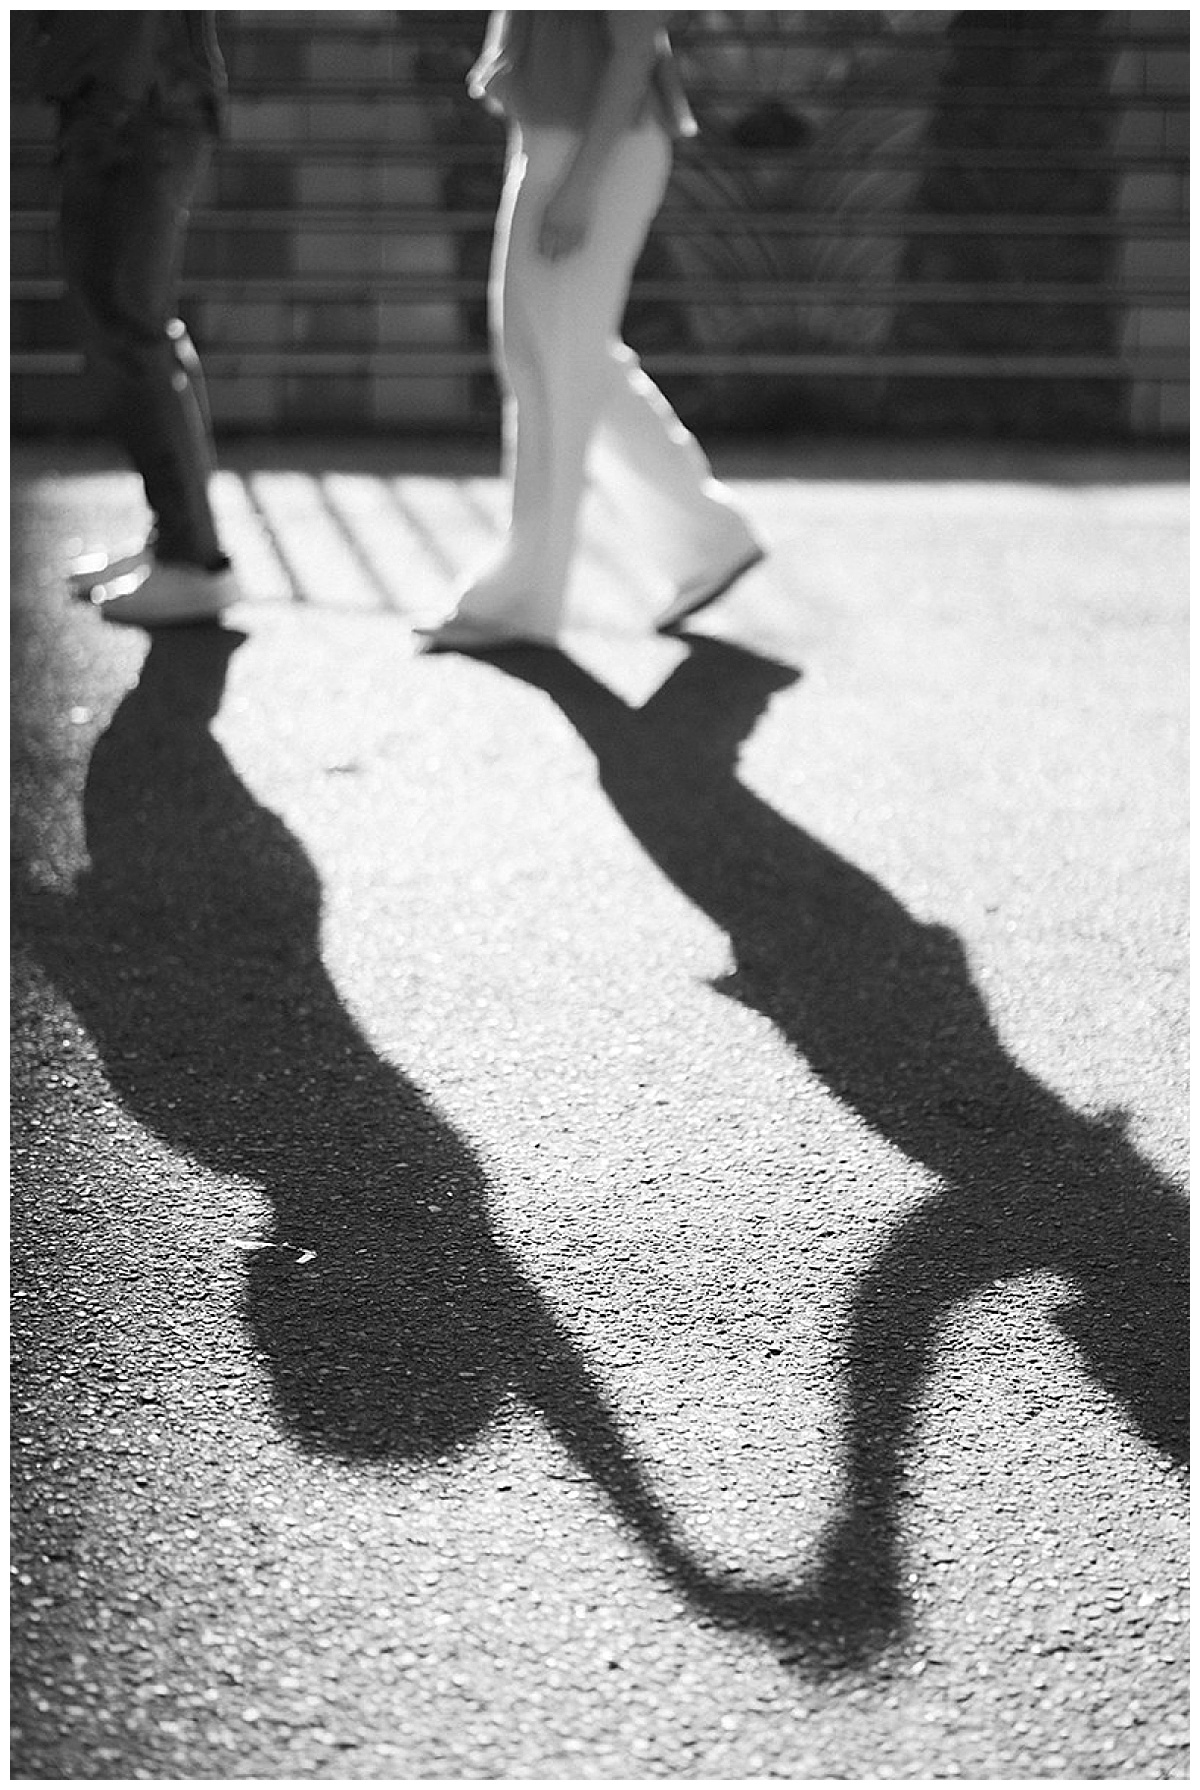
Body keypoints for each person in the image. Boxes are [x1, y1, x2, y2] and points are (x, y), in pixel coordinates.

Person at [415, 11, 764, 653]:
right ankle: (710, 539)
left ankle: (526, 595)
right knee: (556, 361)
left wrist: (579, 186)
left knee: (557, 370)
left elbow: (634, 49)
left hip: (593, 153)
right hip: (559, 144)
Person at [26, 12, 242, 627]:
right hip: (139, 97)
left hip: (131, 104)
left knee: (129, 334)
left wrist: (111, 106)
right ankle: (183, 542)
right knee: (141, 331)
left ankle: (191, 557)